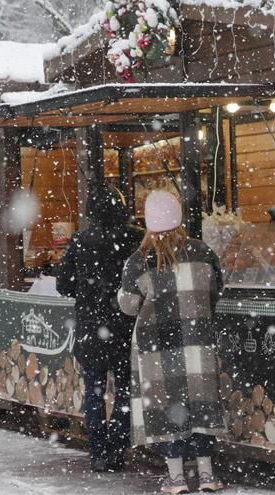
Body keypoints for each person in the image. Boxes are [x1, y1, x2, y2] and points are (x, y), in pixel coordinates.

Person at [118, 190, 226, 494]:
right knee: (201, 405)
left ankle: (176, 479)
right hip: (197, 342)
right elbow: (215, 293)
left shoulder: (138, 261)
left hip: (156, 347)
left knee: (166, 408)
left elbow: (128, 306)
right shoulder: (203, 252)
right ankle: (207, 475)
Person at [57, 187, 143, 473]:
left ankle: (98, 452)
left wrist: (86, 288)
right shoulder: (134, 237)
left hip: (91, 326)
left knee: (93, 392)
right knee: (125, 391)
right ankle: (118, 448)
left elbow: (64, 284)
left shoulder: (81, 240)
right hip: (124, 324)